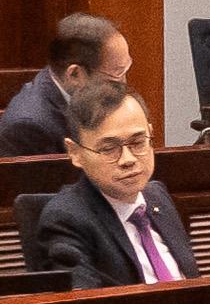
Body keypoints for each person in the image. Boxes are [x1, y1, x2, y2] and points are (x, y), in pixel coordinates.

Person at [38, 80, 199, 288]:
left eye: (138, 142)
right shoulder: (66, 219)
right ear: (75, 152)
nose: (128, 159)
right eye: (109, 149)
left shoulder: (157, 195)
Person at [0, 13, 131, 157]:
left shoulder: (61, 83)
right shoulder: (29, 129)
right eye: (118, 72)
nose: (124, 83)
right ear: (75, 74)